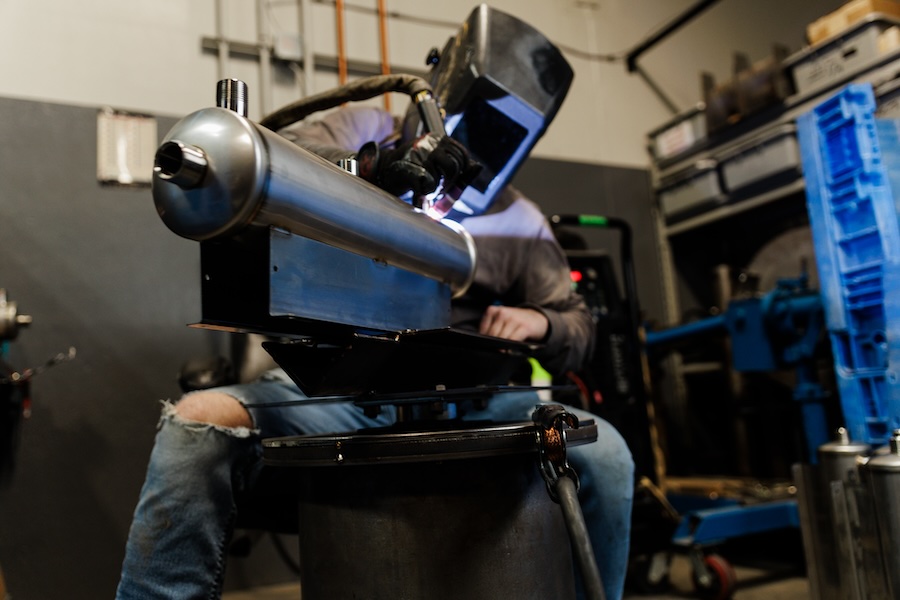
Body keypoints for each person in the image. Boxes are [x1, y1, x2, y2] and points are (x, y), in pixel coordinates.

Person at [117, 6, 634, 600]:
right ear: (439, 91)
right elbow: (280, 155)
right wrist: (372, 170)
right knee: (197, 425)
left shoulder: (519, 219)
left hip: (476, 399)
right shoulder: (359, 128)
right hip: (343, 391)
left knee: (608, 459)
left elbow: (576, 324)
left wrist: (540, 320)